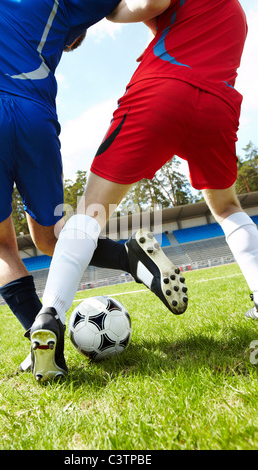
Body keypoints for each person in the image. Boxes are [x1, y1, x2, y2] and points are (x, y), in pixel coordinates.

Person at [28, 0, 257, 382]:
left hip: (164, 90)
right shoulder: (233, 8)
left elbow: (150, 3)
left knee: (92, 210)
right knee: (226, 206)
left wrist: (103, 8)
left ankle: (50, 315)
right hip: (218, 103)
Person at [0, 0, 187, 355]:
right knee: (51, 238)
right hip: (34, 116)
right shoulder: (62, 6)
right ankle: (130, 258)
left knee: (1, 245)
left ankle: (45, 343)